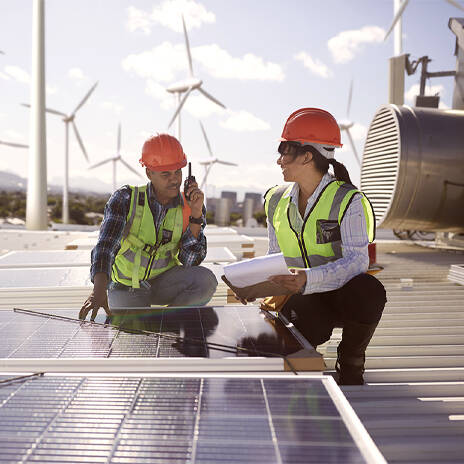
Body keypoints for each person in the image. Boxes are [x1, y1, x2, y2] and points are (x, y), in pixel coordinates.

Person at [261, 108, 386, 385]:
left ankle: (351, 357)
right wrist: (256, 284)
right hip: (303, 298)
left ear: (307, 156)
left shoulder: (348, 200)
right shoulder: (274, 200)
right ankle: (307, 352)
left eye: (286, 151)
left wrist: (310, 279)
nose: (279, 159)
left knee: (369, 291)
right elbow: (274, 257)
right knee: (306, 324)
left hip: (341, 295)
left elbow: (357, 262)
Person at [79, 133, 218, 321]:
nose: (175, 180)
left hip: (164, 282)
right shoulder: (126, 199)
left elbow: (190, 262)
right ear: (149, 173)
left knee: (205, 281)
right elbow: (105, 247)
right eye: (166, 174)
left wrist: (195, 215)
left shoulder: (191, 205)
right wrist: (98, 291)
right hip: (125, 286)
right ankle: (150, 325)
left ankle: (166, 324)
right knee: (133, 335)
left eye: (178, 172)